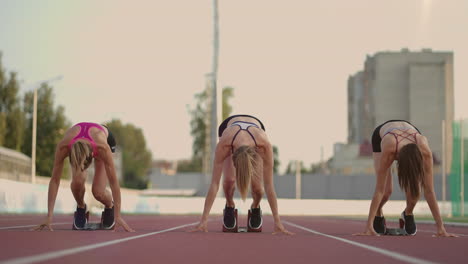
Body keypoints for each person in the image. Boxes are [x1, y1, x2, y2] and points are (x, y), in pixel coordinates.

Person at [190, 115, 293, 234]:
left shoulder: (263, 145)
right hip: (229, 129)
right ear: (232, 157)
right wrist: (203, 220)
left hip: (256, 132)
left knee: (258, 188)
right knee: (229, 181)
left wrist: (278, 222)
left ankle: (255, 207)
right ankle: (229, 205)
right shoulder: (224, 144)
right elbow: (214, 183)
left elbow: (269, 185)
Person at [355, 120, 456, 237]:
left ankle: (408, 213)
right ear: (397, 158)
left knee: (414, 191)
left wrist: (441, 228)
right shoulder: (389, 149)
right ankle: (378, 213)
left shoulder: (425, 151)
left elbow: (429, 191)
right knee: (387, 192)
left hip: (410, 131)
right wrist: (369, 227)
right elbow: (379, 191)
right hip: (383, 135)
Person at [33, 122, 134, 232]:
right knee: (77, 181)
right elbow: (55, 180)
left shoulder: (103, 148)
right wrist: (49, 216)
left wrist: (117, 215)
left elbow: (114, 182)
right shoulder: (63, 146)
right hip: (82, 140)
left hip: (104, 138)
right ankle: (81, 207)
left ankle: (110, 205)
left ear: (91, 155)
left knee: (98, 192)